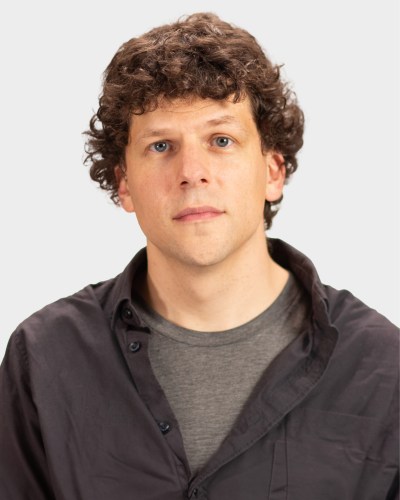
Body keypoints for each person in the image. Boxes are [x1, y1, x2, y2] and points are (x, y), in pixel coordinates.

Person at [0, 12, 398, 500]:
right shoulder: (45, 358)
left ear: (272, 171)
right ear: (124, 183)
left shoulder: (382, 365)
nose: (192, 171)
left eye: (221, 140)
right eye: (161, 145)